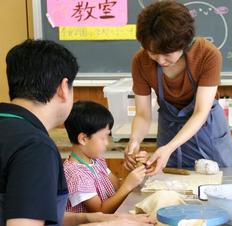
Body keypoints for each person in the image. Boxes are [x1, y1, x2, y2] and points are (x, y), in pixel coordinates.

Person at [0, 39, 155, 226]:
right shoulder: (35, 147)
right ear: (63, 88)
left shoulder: (10, 127)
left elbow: (33, 214)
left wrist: (93, 218)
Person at [124, 0, 232, 175]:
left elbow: (201, 111)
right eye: (153, 53)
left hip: (206, 129)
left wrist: (169, 147)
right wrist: (134, 141)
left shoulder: (207, 54)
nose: (161, 61)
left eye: (167, 55)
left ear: (184, 43)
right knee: (170, 184)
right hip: (169, 129)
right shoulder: (140, 61)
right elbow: (143, 114)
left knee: (218, 182)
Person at [64, 101, 148, 213]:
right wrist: (128, 185)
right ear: (83, 139)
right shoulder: (76, 175)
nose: (107, 143)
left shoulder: (96, 161)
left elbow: (117, 186)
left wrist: (135, 168)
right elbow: (100, 212)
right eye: (103, 137)